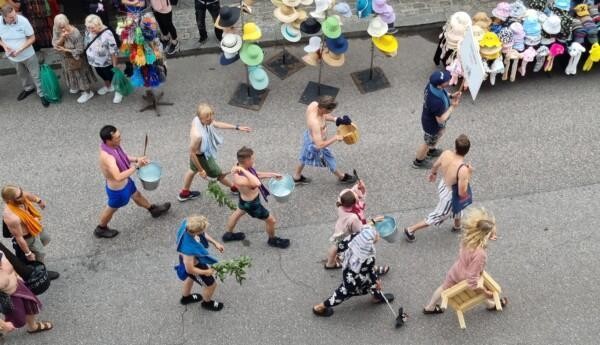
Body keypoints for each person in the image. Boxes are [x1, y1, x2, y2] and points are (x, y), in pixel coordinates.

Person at [423, 207, 507, 314]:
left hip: (456, 270)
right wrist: (485, 292)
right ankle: (490, 304)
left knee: (444, 287)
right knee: (478, 288)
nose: (493, 235)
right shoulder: (480, 254)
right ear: (485, 236)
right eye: (491, 234)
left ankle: (430, 307)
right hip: (465, 277)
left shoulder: (467, 239)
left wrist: (487, 237)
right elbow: (472, 280)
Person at [95, 125, 171, 238]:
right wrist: (136, 166)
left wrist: (137, 159)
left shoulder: (113, 146)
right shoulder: (108, 158)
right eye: (117, 137)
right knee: (111, 208)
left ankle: (153, 210)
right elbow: (118, 177)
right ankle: (101, 228)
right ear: (108, 140)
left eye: (119, 135)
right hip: (118, 190)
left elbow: (124, 157)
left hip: (126, 182)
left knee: (137, 195)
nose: (120, 139)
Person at [313, 226, 396, 317]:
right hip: (356, 280)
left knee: (366, 286)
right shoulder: (368, 257)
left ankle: (377, 297)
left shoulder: (355, 239)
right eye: (375, 236)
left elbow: (340, 247)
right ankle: (320, 307)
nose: (378, 236)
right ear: (368, 243)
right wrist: (377, 281)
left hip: (348, 271)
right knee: (342, 294)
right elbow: (370, 271)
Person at [404, 134, 472, 242]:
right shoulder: (463, 169)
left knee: (457, 208)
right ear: (467, 151)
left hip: (443, 185)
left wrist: (433, 174)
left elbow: (435, 165)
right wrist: (469, 174)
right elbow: (462, 193)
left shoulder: (446, 153)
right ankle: (410, 230)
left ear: (455, 147)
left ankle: (457, 225)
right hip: (450, 195)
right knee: (437, 215)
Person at [178, 103, 251, 202]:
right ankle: (234, 188)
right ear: (200, 118)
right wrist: (201, 170)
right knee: (219, 173)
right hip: (202, 156)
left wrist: (237, 127)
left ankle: (184, 193)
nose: (211, 119)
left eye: (211, 115)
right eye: (208, 118)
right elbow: (192, 153)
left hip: (198, 153)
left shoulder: (198, 120)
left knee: (191, 170)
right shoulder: (197, 135)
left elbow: (216, 124)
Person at [223, 146, 290, 249]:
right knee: (271, 221)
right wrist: (243, 170)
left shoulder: (241, 166)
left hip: (244, 199)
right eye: (252, 159)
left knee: (238, 212)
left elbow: (255, 174)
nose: (254, 160)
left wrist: (272, 175)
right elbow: (256, 182)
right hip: (252, 204)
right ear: (246, 161)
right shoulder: (239, 178)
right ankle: (272, 240)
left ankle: (228, 235)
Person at [325, 180, 389, 275]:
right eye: (356, 197)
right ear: (354, 204)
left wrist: (358, 187)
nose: (357, 194)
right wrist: (373, 221)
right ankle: (372, 269)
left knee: (336, 246)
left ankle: (330, 264)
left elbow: (350, 192)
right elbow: (361, 230)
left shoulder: (341, 200)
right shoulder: (353, 218)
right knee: (363, 254)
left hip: (340, 230)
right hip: (349, 236)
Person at [293, 95, 358, 185]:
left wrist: (337, 120)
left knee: (304, 157)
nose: (331, 112)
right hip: (315, 144)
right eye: (329, 110)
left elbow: (324, 116)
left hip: (309, 137)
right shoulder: (315, 122)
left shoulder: (314, 104)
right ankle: (342, 177)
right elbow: (319, 145)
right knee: (329, 159)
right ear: (323, 108)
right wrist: (335, 137)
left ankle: (296, 177)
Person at [1, 185, 59, 280]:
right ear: (10, 200)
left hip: (36, 228)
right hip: (28, 237)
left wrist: (39, 201)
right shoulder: (11, 217)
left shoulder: (20, 195)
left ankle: (29, 257)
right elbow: (19, 237)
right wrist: (28, 253)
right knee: (39, 254)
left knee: (46, 239)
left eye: (21, 192)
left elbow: (28, 195)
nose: (23, 196)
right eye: (19, 196)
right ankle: (41, 272)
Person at [0, 4, 49, 107]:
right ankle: (28, 89)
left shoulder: (23, 21)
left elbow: (32, 38)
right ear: (3, 17)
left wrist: (20, 49)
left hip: (28, 55)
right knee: (22, 74)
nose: (15, 18)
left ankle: (42, 94)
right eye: (11, 17)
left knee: (36, 75)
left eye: (15, 15)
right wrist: (4, 46)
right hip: (12, 57)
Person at [412, 70, 462, 169]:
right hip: (432, 124)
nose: (449, 80)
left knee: (439, 134)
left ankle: (431, 150)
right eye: (447, 80)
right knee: (427, 142)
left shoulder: (431, 85)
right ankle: (418, 161)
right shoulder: (436, 102)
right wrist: (452, 107)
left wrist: (451, 96)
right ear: (440, 84)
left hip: (430, 119)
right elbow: (441, 119)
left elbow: (443, 92)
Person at [175, 215, 225, 311]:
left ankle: (186, 298)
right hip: (194, 266)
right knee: (211, 285)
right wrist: (206, 272)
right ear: (195, 232)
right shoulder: (189, 249)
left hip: (190, 261)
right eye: (202, 230)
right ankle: (207, 303)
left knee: (190, 278)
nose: (204, 232)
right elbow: (190, 270)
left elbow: (202, 234)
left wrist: (215, 243)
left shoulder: (188, 224)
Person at [0, 251, 53, 335]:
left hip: (19, 286)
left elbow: (10, 264)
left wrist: (17, 275)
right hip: (9, 297)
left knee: (31, 306)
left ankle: (33, 327)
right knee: (17, 321)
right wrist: (3, 325)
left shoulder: (0, 253)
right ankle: (1, 331)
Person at [52, 14, 97, 104]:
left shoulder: (75, 33)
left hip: (77, 59)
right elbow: (55, 44)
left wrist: (65, 49)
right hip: (66, 59)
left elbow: (80, 50)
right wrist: (62, 37)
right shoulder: (56, 29)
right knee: (70, 73)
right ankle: (76, 86)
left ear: (67, 22)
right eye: (60, 27)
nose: (62, 29)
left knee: (80, 74)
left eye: (63, 26)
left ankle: (87, 93)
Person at [84, 14, 123, 104]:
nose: (90, 30)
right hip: (94, 62)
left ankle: (119, 92)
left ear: (99, 24)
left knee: (112, 77)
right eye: (88, 27)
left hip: (106, 62)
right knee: (101, 74)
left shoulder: (107, 33)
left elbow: (114, 51)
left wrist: (115, 66)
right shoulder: (88, 31)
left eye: (92, 28)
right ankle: (108, 87)